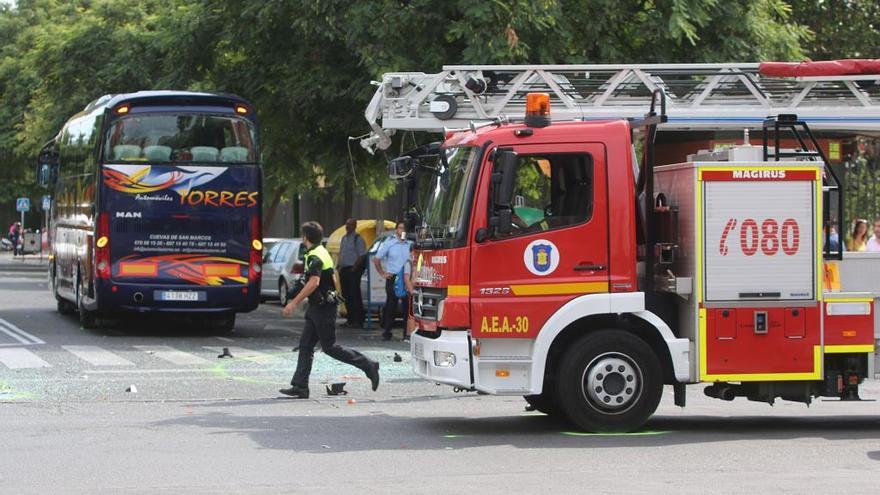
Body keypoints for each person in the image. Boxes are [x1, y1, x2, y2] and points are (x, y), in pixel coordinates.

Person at [279, 221, 380, 399]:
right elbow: (329, 276)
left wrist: (294, 302)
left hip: (323, 308)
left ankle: (369, 365)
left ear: (305, 238)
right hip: (317, 307)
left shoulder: (315, 255)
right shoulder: (320, 251)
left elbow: (314, 282)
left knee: (330, 347)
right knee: (305, 345)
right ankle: (300, 386)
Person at [373, 221, 412, 341]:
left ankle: (407, 333)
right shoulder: (389, 243)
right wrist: (383, 273)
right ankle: (387, 332)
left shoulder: (410, 244)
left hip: (406, 278)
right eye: (400, 228)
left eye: (404, 228)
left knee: (407, 306)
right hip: (393, 277)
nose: (402, 231)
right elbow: (377, 259)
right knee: (391, 305)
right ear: (396, 230)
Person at [338, 218, 367, 328]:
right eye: (347, 224)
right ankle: (350, 319)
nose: (347, 226)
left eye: (350, 224)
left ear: (355, 226)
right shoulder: (344, 238)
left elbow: (361, 255)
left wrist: (354, 268)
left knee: (354, 294)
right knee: (346, 295)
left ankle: (358, 320)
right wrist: (340, 266)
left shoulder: (358, 239)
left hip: (353, 270)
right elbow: (342, 253)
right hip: (344, 269)